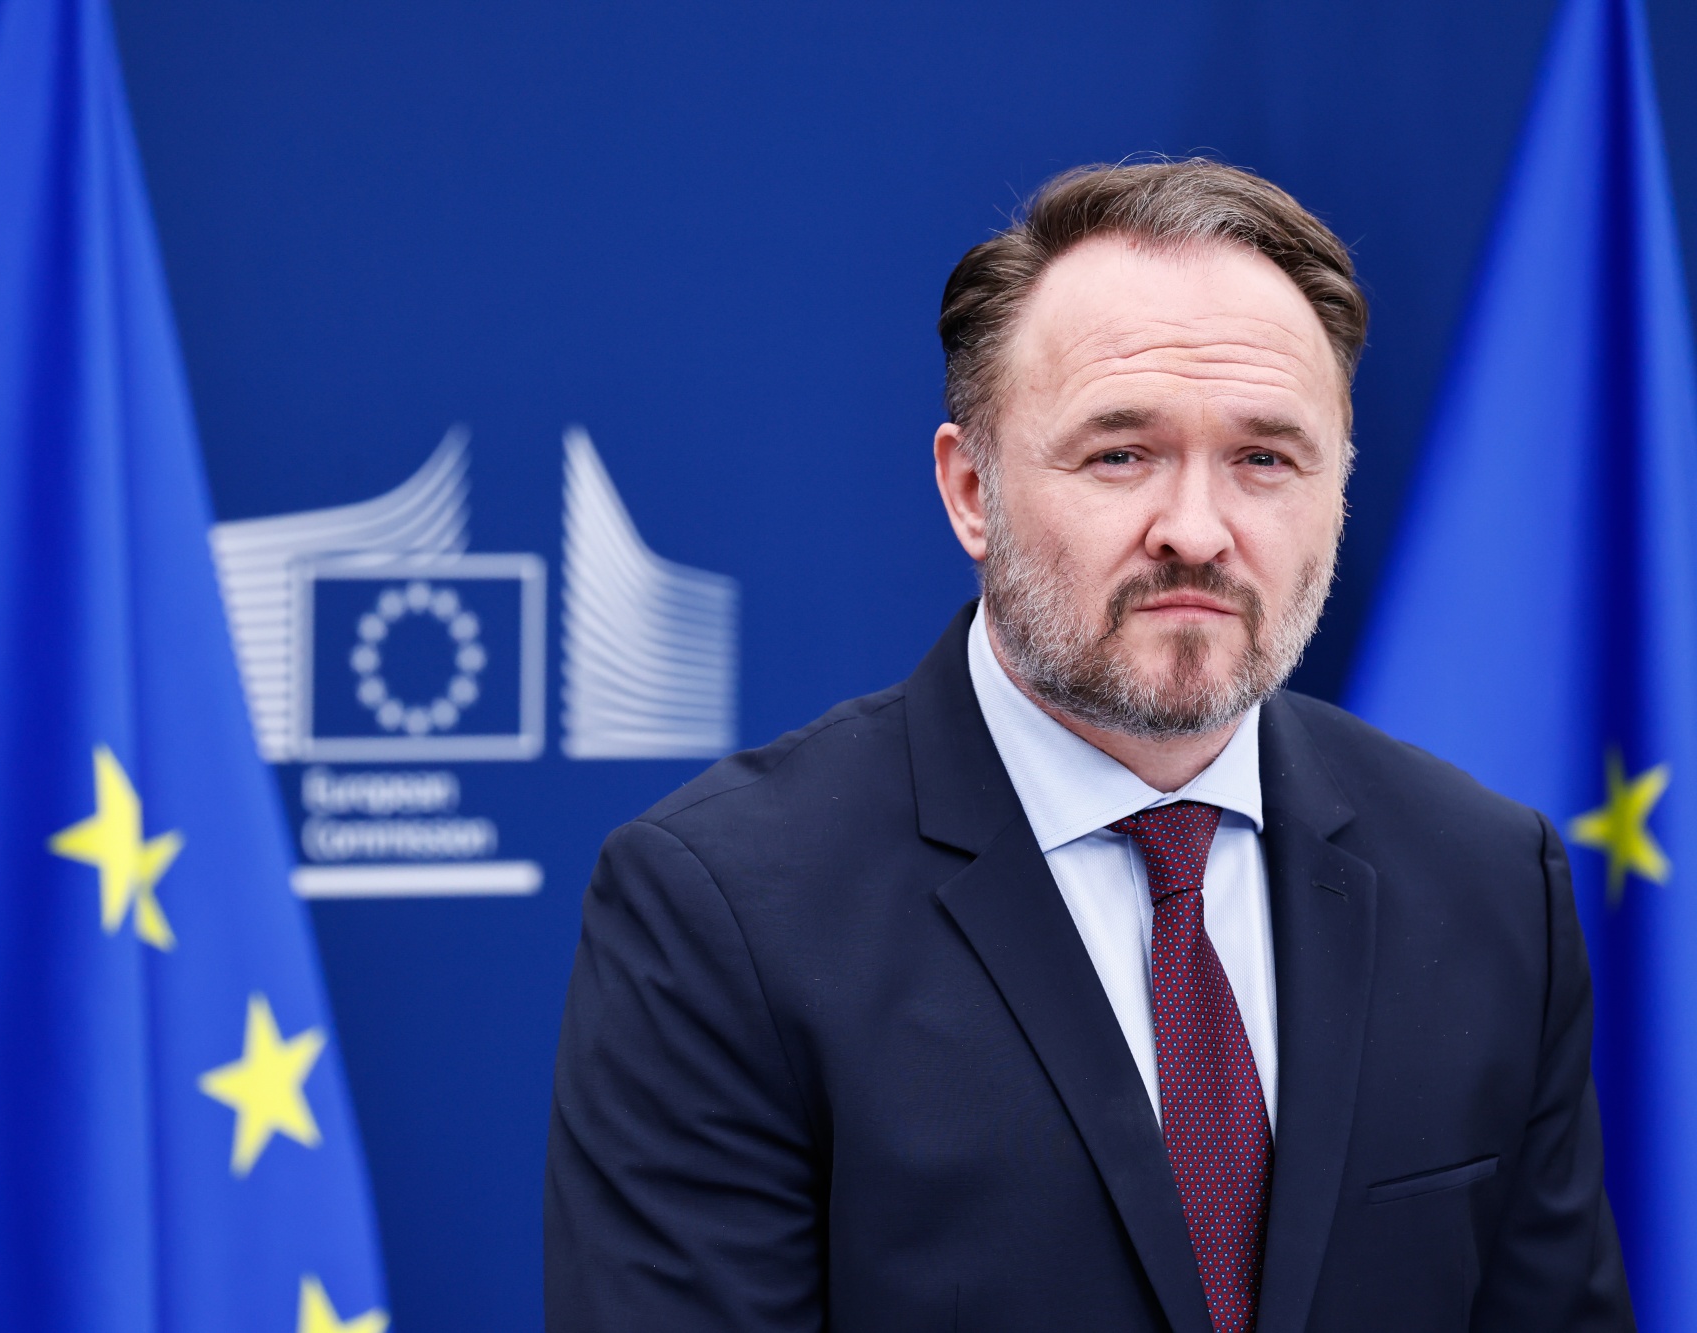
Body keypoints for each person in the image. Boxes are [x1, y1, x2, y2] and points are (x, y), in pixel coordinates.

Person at [543, 159, 1633, 1332]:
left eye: (1264, 459)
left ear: (1337, 490)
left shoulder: (1484, 878)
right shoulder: (723, 909)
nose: (1197, 531)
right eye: (1121, 454)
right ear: (971, 489)